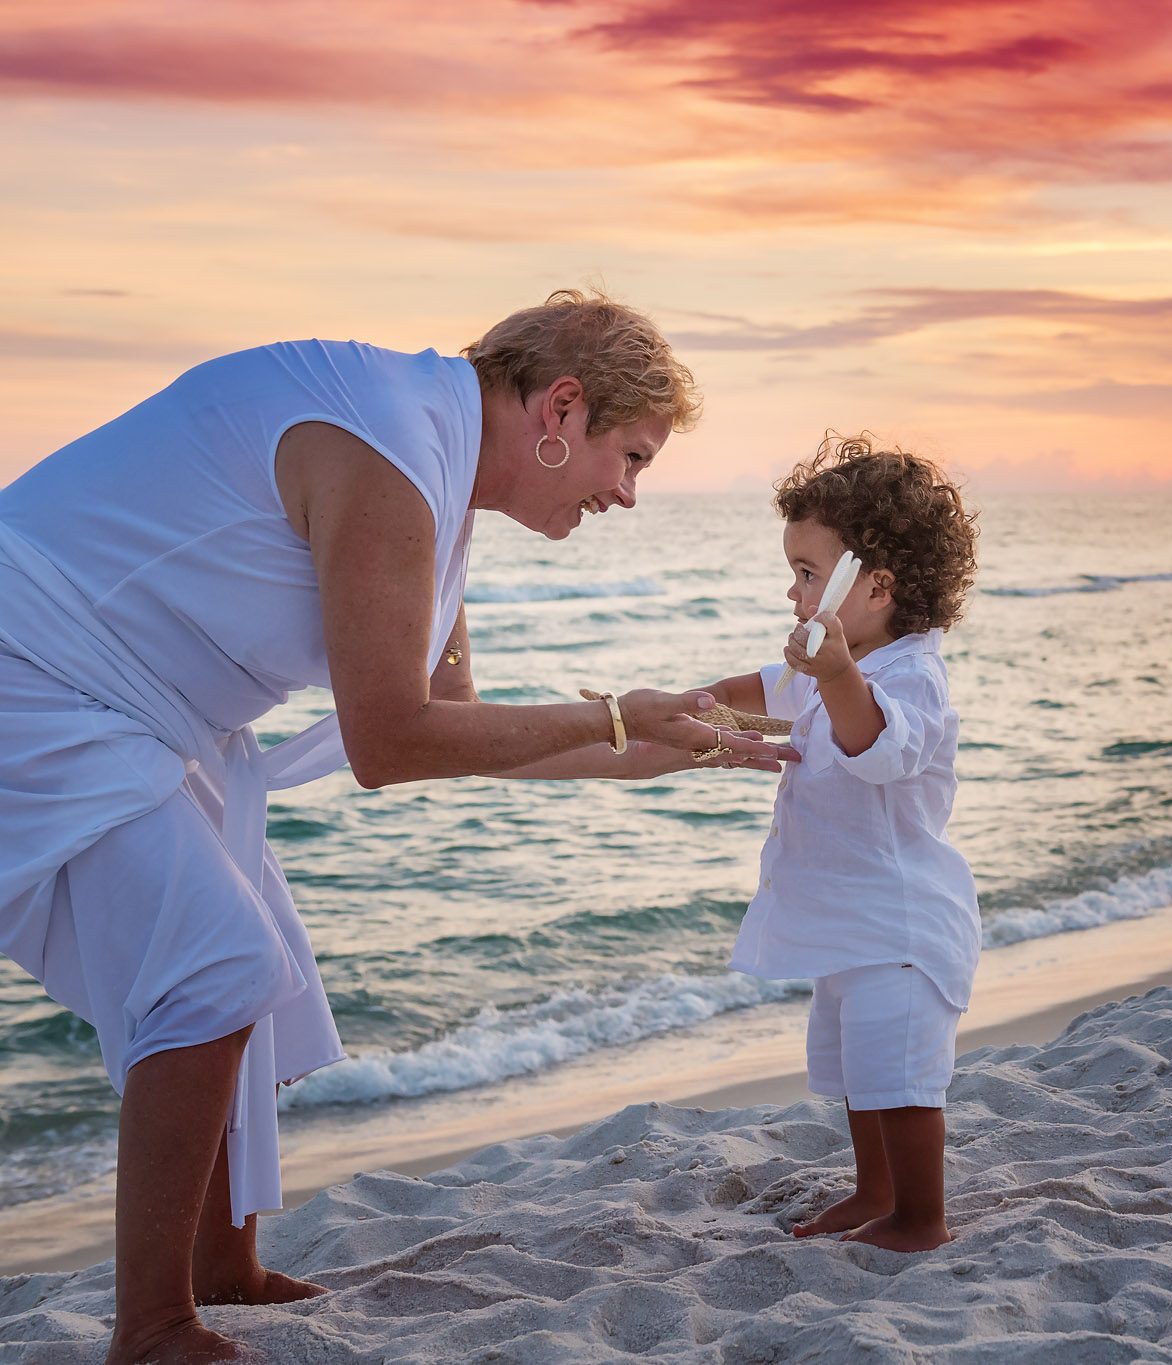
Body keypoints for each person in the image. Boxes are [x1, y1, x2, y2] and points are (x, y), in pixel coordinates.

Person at [0, 290, 795, 1365]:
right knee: (212, 966)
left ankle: (220, 1271)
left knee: (255, 964)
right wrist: (616, 713)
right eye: (632, 456)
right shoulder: (387, 447)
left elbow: (450, 733)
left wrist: (669, 739)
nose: (629, 494)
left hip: (130, 703)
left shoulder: (433, 472)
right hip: (37, 672)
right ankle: (150, 1333)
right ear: (561, 407)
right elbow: (389, 740)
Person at [691, 434, 980, 1252]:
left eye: (810, 574)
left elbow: (875, 743)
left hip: (903, 928)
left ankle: (921, 1217)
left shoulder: (907, 675)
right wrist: (701, 704)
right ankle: (873, 1190)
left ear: (874, 586)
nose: (793, 591)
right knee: (860, 1069)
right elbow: (763, 689)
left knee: (902, 1077)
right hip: (851, 925)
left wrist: (836, 670)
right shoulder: (843, 661)